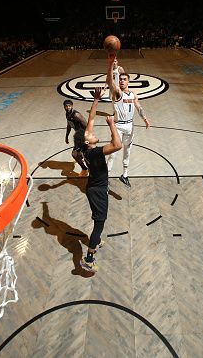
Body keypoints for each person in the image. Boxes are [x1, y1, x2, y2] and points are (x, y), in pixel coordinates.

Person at [80, 86, 122, 272]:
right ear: (88, 142)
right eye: (90, 134)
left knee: (99, 222)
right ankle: (88, 259)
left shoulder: (88, 147)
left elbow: (90, 119)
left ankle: (95, 241)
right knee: (99, 223)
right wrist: (111, 123)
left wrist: (96, 99)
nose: (91, 131)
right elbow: (117, 145)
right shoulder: (96, 152)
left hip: (93, 187)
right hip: (97, 191)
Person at [105, 55, 150, 188]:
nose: (122, 81)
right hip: (118, 126)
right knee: (113, 154)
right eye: (121, 79)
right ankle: (106, 178)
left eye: (125, 79)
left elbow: (139, 107)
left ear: (128, 81)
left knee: (127, 151)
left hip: (130, 126)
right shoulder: (117, 93)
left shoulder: (133, 95)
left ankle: (124, 175)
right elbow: (109, 81)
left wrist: (145, 119)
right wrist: (111, 66)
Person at [63, 99, 89, 176]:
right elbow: (69, 125)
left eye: (69, 106)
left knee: (75, 154)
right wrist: (66, 136)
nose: (68, 108)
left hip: (83, 136)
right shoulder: (67, 114)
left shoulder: (76, 115)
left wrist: (86, 137)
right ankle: (83, 162)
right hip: (79, 136)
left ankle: (85, 169)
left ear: (72, 106)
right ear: (64, 107)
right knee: (80, 154)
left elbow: (87, 125)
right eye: (66, 106)